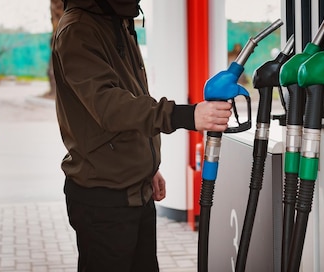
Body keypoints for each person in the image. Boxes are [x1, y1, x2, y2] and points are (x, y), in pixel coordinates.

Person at [51, 0, 232, 271]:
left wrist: (146, 167)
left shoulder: (117, 21)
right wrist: (185, 115)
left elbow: (133, 100)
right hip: (104, 200)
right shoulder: (78, 30)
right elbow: (110, 107)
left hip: (136, 191)